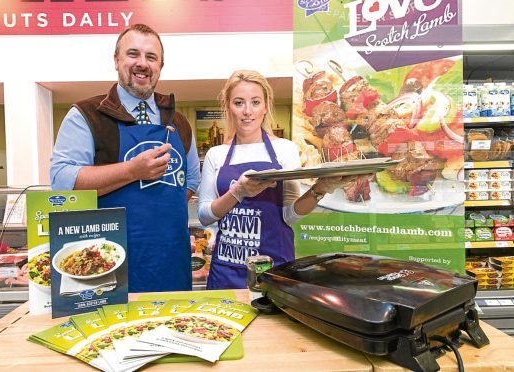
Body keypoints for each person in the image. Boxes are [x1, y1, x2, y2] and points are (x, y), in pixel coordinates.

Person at [50, 24, 201, 292]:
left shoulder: (178, 121)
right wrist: (132, 171)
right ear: (117, 60)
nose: (142, 64)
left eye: (151, 57)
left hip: (170, 264)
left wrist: (157, 213)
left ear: (161, 65)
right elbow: (62, 182)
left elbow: (189, 182)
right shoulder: (87, 115)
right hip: (105, 266)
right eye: (133, 54)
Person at [198, 70, 357, 290]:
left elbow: (288, 216)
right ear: (228, 106)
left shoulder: (285, 149)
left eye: (255, 102)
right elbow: (205, 215)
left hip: (273, 270)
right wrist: (238, 193)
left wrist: (320, 189)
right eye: (238, 103)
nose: (247, 111)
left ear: (266, 105)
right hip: (226, 269)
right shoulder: (216, 154)